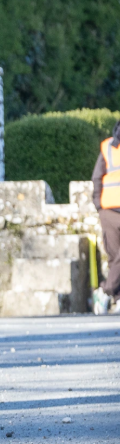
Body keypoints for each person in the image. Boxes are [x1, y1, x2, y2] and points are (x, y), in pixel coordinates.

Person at [92, 120, 120, 315]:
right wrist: (98, 204)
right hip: (109, 210)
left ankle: (105, 291)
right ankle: (117, 297)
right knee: (113, 255)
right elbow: (97, 176)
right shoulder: (107, 147)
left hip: (108, 208)